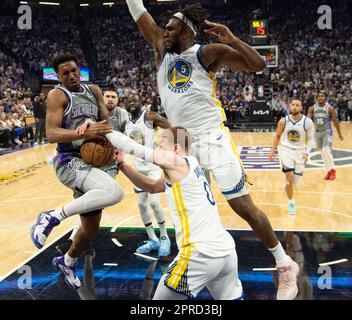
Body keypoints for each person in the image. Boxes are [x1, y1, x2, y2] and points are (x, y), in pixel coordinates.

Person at [125, 0, 298, 299]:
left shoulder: (206, 53)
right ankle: (196, 258)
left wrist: (232, 40)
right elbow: (137, 8)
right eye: (163, 28)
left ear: (187, 33)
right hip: (183, 143)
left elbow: (258, 65)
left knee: (242, 206)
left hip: (212, 139)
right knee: (191, 207)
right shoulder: (161, 50)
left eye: (171, 28)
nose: (164, 32)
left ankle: (284, 264)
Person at [112, 126, 243, 300]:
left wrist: (105, 130)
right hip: (226, 252)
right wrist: (122, 164)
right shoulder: (190, 165)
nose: (158, 150)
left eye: (161, 145)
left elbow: (136, 148)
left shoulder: (179, 164)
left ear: (175, 148)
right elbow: (150, 186)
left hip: (200, 253)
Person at [30, 53, 124, 290]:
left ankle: (67, 261)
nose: (71, 75)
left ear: (79, 69)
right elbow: (51, 134)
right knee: (113, 191)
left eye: (74, 70)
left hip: (96, 160)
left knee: (91, 228)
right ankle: (52, 216)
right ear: (58, 77)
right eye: (65, 73)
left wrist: (98, 130)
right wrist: (83, 134)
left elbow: (106, 122)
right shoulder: (57, 95)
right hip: (69, 159)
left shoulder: (92, 90)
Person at [55, 88, 129, 256]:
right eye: (107, 96)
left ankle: (75, 236)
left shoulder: (122, 114)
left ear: (118, 99)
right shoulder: (93, 111)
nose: (110, 99)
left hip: (109, 163)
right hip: (90, 161)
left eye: (113, 97)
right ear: (102, 99)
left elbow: (127, 135)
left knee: (96, 202)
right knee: (86, 201)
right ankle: (77, 239)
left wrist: (122, 154)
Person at [124, 93, 171, 256]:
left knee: (154, 202)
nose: (131, 102)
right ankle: (153, 239)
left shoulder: (149, 116)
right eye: (128, 100)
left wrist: (170, 146)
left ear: (141, 103)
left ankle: (164, 237)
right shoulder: (125, 123)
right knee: (141, 204)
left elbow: (171, 126)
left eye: (134, 99)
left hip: (153, 165)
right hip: (138, 166)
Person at [269, 99, 315, 215]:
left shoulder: (307, 122)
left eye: (297, 105)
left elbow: (310, 139)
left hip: (300, 152)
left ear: (301, 108)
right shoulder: (283, 121)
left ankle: (288, 186)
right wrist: (273, 151)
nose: (294, 107)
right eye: (293, 105)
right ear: (290, 107)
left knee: (296, 182)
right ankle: (291, 202)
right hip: (286, 151)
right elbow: (278, 136)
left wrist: (307, 153)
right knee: (290, 179)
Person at [307, 91, 344, 180]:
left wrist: (339, 133)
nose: (320, 97)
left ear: (326, 98)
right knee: (322, 153)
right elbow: (308, 120)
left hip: (326, 131)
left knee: (326, 150)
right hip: (317, 132)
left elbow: (335, 121)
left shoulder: (330, 108)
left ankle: (333, 170)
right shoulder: (312, 108)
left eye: (322, 96)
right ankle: (328, 170)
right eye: (319, 96)